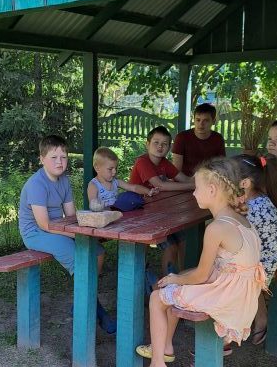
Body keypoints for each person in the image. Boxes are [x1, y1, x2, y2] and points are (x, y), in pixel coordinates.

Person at [135, 157, 266, 367]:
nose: (194, 193)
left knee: (157, 297)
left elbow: (202, 276)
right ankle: (164, 347)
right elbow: (222, 268)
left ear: (212, 190)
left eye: (197, 188)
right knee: (178, 284)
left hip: (229, 297)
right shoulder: (241, 220)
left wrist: (176, 278)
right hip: (241, 293)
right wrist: (180, 279)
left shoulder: (216, 228)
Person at [18, 135, 116, 333]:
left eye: (63, 157)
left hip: (59, 228)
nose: (59, 162)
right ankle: (98, 312)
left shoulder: (64, 180)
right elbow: (44, 224)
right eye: (53, 157)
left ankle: (83, 298)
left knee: (97, 251)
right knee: (80, 261)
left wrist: (85, 231)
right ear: (42, 159)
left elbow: (71, 216)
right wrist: (75, 235)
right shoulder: (37, 184)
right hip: (36, 233)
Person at [233, 154, 277, 345]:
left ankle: (225, 334)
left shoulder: (255, 207)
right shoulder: (267, 201)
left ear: (245, 182)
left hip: (262, 270)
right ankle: (253, 318)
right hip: (267, 265)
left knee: (218, 268)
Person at [129, 126, 193, 280]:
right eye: (156, 142)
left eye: (164, 144)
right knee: (170, 246)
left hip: (160, 213)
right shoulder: (142, 162)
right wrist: (192, 186)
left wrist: (199, 180)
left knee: (183, 239)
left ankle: (182, 279)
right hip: (139, 215)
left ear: (169, 148)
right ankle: (167, 284)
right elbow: (160, 185)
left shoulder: (165, 163)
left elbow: (184, 179)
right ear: (147, 144)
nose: (160, 147)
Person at [172, 103, 226, 177]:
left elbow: (221, 167)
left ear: (213, 121)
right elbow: (176, 171)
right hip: (184, 179)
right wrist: (189, 182)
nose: (201, 124)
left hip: (209, 179)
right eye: (198, 120)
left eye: (206, 120)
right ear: (193, 120)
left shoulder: (218, 138)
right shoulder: (182, 137)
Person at [88, 147, 153, 208]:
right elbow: (93, 205)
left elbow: (134, 188)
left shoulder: (115, 181)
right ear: (97, 168)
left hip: (116, 213)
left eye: (115, 168)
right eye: (110, 169)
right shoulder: (94, 185)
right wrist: (104, 206)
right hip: (102, 215)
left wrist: (148, 191)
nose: (114, 172)